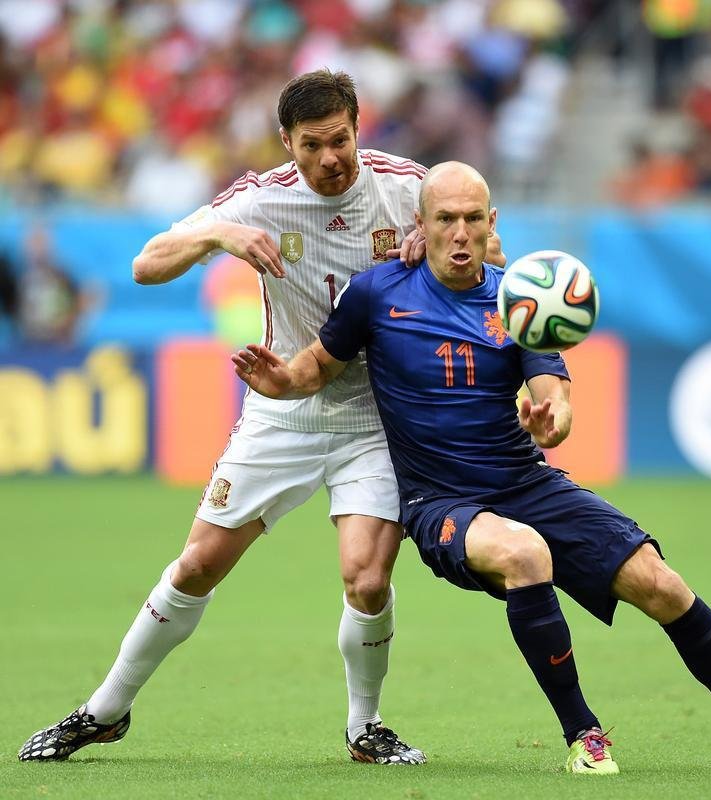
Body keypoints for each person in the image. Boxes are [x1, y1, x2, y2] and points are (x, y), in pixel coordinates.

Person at [230, 161, 711, 775]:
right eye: (444, 220)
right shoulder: (377, 293)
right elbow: (317, 367)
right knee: (525, 554)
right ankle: (585, 735)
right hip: (440, 503)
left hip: (525, 481)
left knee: (662, 584)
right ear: (421, 224)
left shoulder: (519, 298)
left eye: (470, 219)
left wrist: (551, 419)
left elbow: (554, 396)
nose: (458, 233)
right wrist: (280, 381)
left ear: (492, 224)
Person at [18, 70, 504, 766]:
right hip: (285, 411)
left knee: (367, 579)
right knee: (195, 568)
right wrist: (219, 236)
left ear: (359, 129)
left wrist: (443, 256)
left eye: (341, 140)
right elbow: (144, 266)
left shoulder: (410, 189)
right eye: (313, 145)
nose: (331, 158)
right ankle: (104, 711)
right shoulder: (256, 200)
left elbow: (492, 256)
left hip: (376, 415)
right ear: (287, 143)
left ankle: (365, 727)